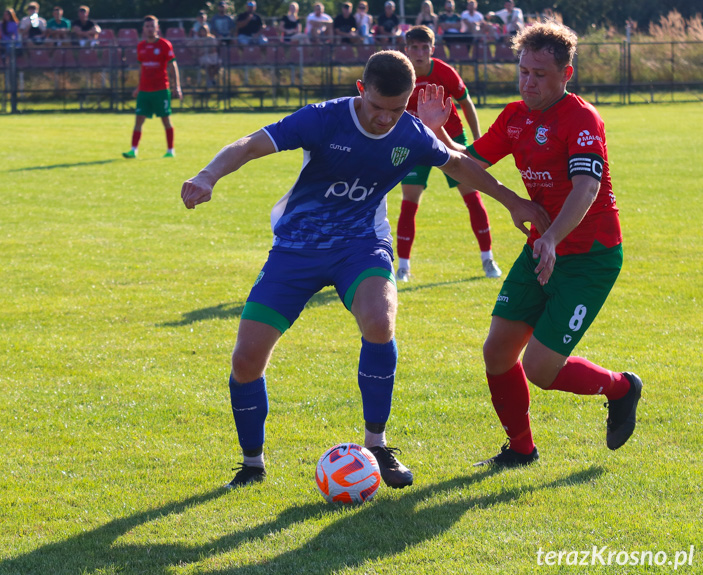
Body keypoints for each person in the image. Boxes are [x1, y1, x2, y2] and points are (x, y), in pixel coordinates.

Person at [180, 50, 548, 489]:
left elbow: (462, 165)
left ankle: (377, 445)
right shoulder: (323, 119)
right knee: (246, 359)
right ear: (361, 90)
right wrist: (207, 175)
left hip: (361, 246)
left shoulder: (411, 133)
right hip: (296, 249)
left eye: (396, 109)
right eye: (376, 107)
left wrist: (514, 201)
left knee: (379, 321)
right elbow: (250, 143)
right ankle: (252, 464)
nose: (384, 120)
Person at [417, 20, 643, 467]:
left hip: (589, 257)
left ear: (566, 75)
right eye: (523, 71)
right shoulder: (515, 117)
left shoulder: (581, 119)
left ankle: (621, 387)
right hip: (543, 247)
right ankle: (521, 449)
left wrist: (554, 237)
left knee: (541, 369)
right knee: (497, 352)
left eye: (540, 74)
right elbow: (466, 165)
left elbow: (586, 188)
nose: (528, 81)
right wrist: (437, 132)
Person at [396, 26, 500, 282]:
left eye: (424, 48)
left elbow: (466, 102)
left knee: (473, 197)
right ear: (406, 50)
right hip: (416, 142)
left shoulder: (443, 71)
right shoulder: (399, 75)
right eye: (414, 48)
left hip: (451, 139)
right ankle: (403, 267)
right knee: (409, 202)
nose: (419, 53)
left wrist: (477, 142)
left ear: (432, 50)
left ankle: (488, 259)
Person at [123, 16, 182, 160]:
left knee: (166, 120)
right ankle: (133, 150)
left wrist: (177, 86)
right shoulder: (140, 46)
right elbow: (141, 68)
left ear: (157, 28)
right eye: (147, 26)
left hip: (161, 89)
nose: (150, 29)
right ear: (143, 29)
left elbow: (172, 65)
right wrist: (138, 87)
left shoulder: (164, 44)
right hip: (144, 90)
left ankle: (170, 150)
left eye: (152, 26)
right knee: (138, 120)